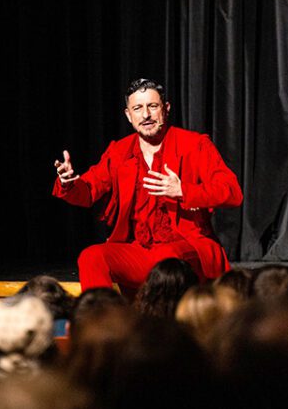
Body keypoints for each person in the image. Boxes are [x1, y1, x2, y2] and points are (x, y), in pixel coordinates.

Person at [53, 78, 243, 294]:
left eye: (152, 106)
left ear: (166, 109)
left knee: (167, 260)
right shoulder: (119, 151)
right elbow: (88, 191)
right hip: (140, 250)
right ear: (128, 115)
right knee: (92, 256)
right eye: (138, 108)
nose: (146, 115)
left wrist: (183, 190)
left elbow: (232, 192)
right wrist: (68, 182)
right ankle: (103, 321)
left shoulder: (194, 144)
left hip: (186, 248)